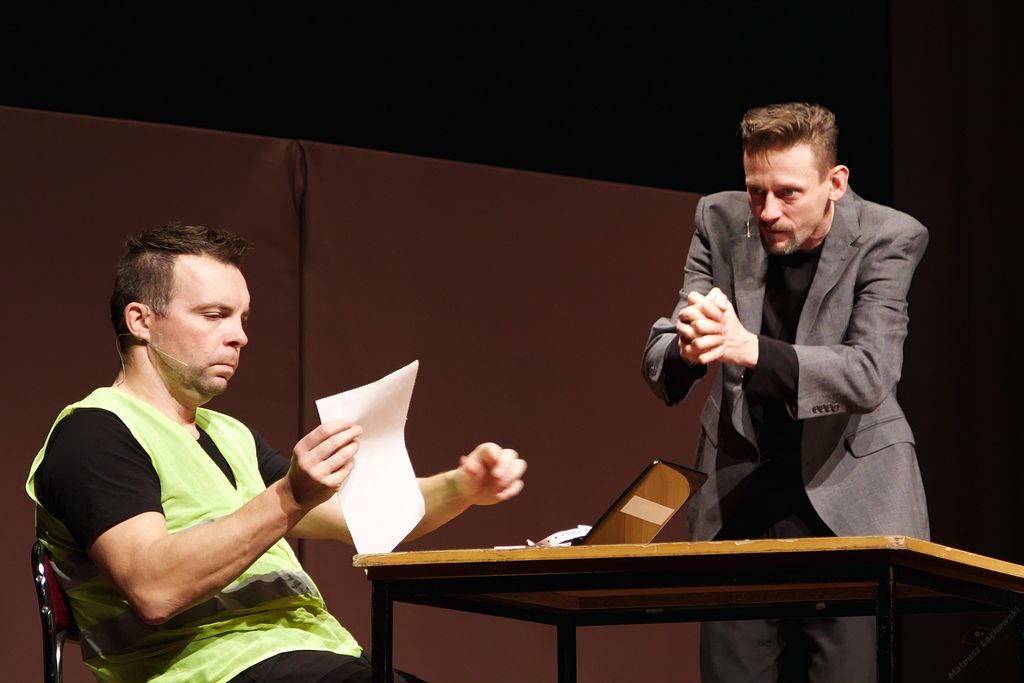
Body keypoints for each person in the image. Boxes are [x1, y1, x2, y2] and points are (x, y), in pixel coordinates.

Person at [26, 223, 527, 683]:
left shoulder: (231, 436)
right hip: (209, 671)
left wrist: (462, 486)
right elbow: (154, 589)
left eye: (242, 318)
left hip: (315, 658)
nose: (239, 336)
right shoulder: (94, 433)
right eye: (214, 316)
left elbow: (364, 518)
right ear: (141, 321)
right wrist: (289, 496)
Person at [641, 102, 929, 682]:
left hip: (848, 501)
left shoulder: (889, 236)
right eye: (756, 191)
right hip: (741, 499)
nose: (767, 210)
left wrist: (749, 348)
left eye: (788, 193)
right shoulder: (718, 219)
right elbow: (661, 349)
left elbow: (871, 373)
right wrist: (689, 348)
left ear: (835, 183)